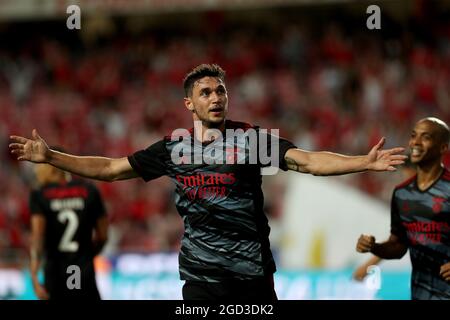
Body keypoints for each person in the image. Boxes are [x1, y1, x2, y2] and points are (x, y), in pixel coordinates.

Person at [10, 64, 406, 301]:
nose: (215, 97)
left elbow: (306, 161)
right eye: (205, 92)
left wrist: (363, 162)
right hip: (201, 279)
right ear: (189, 104)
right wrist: (52, 156)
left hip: (252, 277)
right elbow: (112, 168)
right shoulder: (173, 148)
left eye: (220, 90)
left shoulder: (251, 140)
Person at [356, 117, 450, 300]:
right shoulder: (402, 194)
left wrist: (370, 264)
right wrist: (373, 247)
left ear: (443, 148)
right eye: (413, 135)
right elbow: (399, 244)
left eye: (426, 137)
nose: (415, 141)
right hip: (421, 293)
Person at [29, 150, 108, 300]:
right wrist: (86, 255)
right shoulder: (89, 190)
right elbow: (103, 236)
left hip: (55, 272)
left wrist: (33, 274)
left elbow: (37, 238)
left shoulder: (40, 194)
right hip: (82, 271)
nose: (37, 172)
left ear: (50, 167)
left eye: (39, 167)